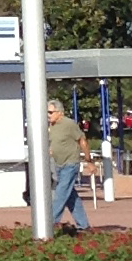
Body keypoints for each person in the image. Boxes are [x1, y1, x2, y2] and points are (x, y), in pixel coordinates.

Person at [46, 100, 91, 233]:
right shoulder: (52, 126)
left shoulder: (69, 124)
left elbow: (82, 140)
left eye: (50, 112)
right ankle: (84, 225)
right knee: (71, 196)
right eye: (47, 112)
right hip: (58, 165)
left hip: (70, 164)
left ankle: (50, 223)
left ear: (59, 112)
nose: (48, 115)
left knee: (61, 192)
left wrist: (88, 160)